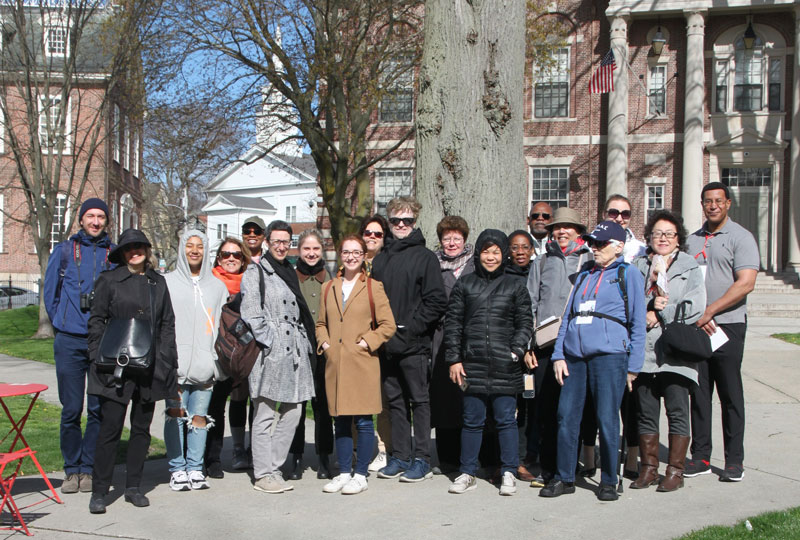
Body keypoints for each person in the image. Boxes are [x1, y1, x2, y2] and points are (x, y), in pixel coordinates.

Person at [539, 221, 646, 501]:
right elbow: (568, 316)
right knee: (566, 417)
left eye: (601, 244)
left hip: (610, 357)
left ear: (619, 246)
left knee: (607, 419)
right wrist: (559, 354)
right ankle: (564, 477)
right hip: (574, 357)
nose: (594, 248)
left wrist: (633, 367)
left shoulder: (628, 274)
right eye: (593, 243)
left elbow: (637, 324)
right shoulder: (584, 273)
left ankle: (609, 480)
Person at [86, 229, 177, 514]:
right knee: (110, 428)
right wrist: (97, 356)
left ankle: (134, 486)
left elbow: (166, 323)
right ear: (122, 253)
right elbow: (97, 320)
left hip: (148, 367)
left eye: (139, 247)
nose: (134, 252)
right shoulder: (109, 280)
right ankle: (100, 490)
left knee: (141, 429)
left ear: (147, 251)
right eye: (129, 248)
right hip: (115, 366)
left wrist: (163, 361)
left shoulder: (157, 283)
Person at [445, 229, 533, 496]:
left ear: (503, 253)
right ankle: (468, 471)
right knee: (472, 420)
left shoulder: (515, 285)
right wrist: (454, 359)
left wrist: (516, 351)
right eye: (486, 251)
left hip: (505, 363)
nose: (491, 257)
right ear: (479, 253)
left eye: (496, 252)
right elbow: (453, 323)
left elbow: (525, 321)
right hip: (472, 363)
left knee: (506, 419)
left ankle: (508, 470)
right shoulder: (465, 283)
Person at [685, 182, 758, 482]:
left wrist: (710, 311)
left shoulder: (741, 237)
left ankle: (734, 461)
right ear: (702, 205)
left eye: (718, 201)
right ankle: (701, 456)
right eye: (707, 201)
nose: (713, 206)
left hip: (727, 325)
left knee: (730, 394)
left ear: (728, 203)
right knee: (699, 393)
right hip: (697, 328)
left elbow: (746, 282)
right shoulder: (691, 240)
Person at [371, 196, 448, 482]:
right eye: (396, 221)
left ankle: (422, 458)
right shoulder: (380, 259)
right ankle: (400, 456)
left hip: (413, 344)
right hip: (386, 344)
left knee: (419, 401)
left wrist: (410, 329)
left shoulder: (425, 257)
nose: (401, 225)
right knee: (395, 402)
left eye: (407, 221)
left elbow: (436, 301)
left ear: (415, 222)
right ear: (389, 223)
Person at [631, 210, 706, 492]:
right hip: (645, 353)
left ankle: (675, 470)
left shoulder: (689, 267)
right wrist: (649, 308)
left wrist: (663, 312)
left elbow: (695, 307)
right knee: (645, 413)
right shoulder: (637, 266)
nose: (662, 239)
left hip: (676, 353)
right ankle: (648, 468)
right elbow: (628, 304)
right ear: (649, 238)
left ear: (678, 239)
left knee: (677, 411)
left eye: (669, 234)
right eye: (657, 234)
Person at [43, 197, 114, 495]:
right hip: (70, 341)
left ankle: (88, 468)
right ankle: (71, 470)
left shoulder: (114, 254)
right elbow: (50, 295)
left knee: (97, 408)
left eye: (101, 217)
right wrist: (63, 322)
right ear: (81, 219)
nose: (95, 222)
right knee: (71, 409)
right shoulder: (64, 252)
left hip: (102, 342)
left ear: (106, 221)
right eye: (91, 216)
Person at [316, 235, 397, 494]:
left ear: (363, 256)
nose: (351, 256)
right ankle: (343, 472)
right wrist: (326, 345)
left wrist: (367, 342)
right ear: (341, 254)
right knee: (340, 419)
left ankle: (360, 474)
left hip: (362, 364)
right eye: (346, 252)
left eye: (356, 252)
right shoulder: (329, 287)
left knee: (362, 421)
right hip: (336, 364)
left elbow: (388, 325)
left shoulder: (374, 287)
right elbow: (321, 324)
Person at [241, 220, 315, 494]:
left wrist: (302, 341)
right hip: (269, 353)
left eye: (287, 242)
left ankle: (273, 466)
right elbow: (251, 313)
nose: (282, 246)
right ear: (267, 242)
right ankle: (263, 474)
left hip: (294, 352)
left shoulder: (289, 271)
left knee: (294, 411)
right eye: (277, 241)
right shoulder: (255, 271)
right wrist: (270, 341)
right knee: (264, 413)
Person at [525, 207, 590, 487]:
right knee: (545, 410)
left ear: (578, 232)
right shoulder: (541, 262)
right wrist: (528, 344)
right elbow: (530, 303)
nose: (562, 232)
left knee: (571, 411)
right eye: (558, 227)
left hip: (577, 346)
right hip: (545, 346)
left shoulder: (588, 260)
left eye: (569, 227)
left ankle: (569, 466)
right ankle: (549, 468)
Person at [164, 230, 228, 491]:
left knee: (199, 418)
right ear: (181, 249)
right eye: (189, 246)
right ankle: (177, 468)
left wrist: (216, 361)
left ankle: (195, 467)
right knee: (175, 415)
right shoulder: (166, 282)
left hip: (204, 365)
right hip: (175, 364)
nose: (194, 250)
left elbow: (223, 327)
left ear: (205, 251)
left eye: (199, 246)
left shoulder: (216, 286)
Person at [287, 229, 334, 480]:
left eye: (316, 249)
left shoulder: (331, 278)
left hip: (324, 352)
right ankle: (295, 456)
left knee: (323, 407)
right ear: (299, 251)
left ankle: (324, 456)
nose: (312, 253)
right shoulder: (291, 278)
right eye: (307, 249)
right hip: (298, 351)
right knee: (297, 406)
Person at [430, 216, 474, 475]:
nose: (452, 243)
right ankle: (446, 458)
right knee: (444, 396)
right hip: (441, 337)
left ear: (465, 240)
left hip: (471, 339)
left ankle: (469, 455)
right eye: (447, 238)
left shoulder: (475, 264)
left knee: (468, 394)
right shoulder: (433, 265)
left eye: (457, 238)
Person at [205, 237, 252, 478]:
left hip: (246, 352)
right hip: (218, 352)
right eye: (226, 254)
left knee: (246, 399)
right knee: (215, 405)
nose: (231, 258)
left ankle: (248, 450)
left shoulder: (250, 282)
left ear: (243, 258)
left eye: (236, 254)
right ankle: (213, 457)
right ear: (218, 258)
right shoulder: (209, 281)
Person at [358, 214, 394, 473]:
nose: (372, 237)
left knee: (381, 400)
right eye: (368, 233)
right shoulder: (350, 264)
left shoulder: (388, 264)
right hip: (354, 342)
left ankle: (384, 449)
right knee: (355, 398)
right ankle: (358, 449)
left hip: (381, 339)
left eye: (377, 234)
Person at [505, 229, 536, 481]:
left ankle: (523, 459)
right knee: (505, 408)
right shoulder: (503, 276)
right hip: (507, 350)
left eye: (525, 247)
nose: (520, 252)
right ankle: (502, 459)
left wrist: (528, 347)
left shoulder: (537, 273)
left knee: (527, 407)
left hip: (531, 351)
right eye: (515, 247)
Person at [605, 194, 647, 263]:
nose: (619, 219)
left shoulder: (641, 250)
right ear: (604, 215)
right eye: (613, 213)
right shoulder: (589, 248)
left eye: (625, 214)